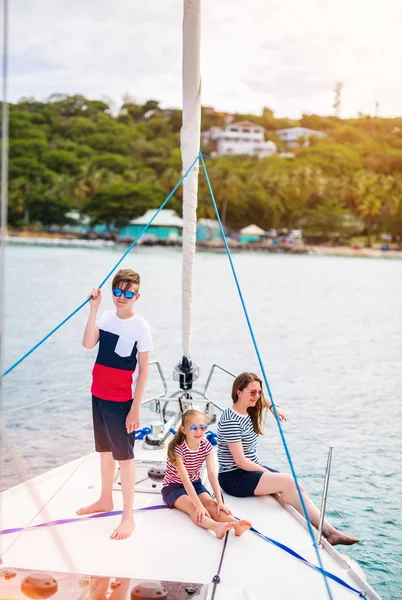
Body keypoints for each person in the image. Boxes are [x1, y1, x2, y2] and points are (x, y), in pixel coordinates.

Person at [217, 372, 360, 547]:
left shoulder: (248, 407)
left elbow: (266, 400)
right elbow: (240, 461)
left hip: (249, 471)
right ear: (238, 392)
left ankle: (330, 532)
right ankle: (329, 533)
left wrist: (274, 408)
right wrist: (267, 473)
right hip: (234, 477)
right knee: (286, 481)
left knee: (297, 487)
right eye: (252, 393)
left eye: (259, 392)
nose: (257, 397)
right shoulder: (231, 419)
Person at [77, 268, 153, 540]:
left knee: (125, 457)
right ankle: (105, 499)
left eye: (128, 293)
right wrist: (93, 310)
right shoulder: (106, 318)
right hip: (98, 394)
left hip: (122, 400)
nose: (122, 297)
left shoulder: (141, 327)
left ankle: (128, 516)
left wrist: (136, 407)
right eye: (118, 292)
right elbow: (88, 344)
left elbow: (143, 370)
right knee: (105, 451)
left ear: (137, 296)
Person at [162, 409, 252, 539]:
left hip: (195, 484)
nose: (199, 432)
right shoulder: (177, 450)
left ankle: (236, 524)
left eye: (202, 427)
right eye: (193, 428)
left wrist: (219, 501)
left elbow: (211, 474)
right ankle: (216, 527)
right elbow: (185, 481)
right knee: (194, 507)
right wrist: (199, 505)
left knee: (211, 504)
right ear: (183, 430)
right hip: (173, 487)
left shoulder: (206, 446)